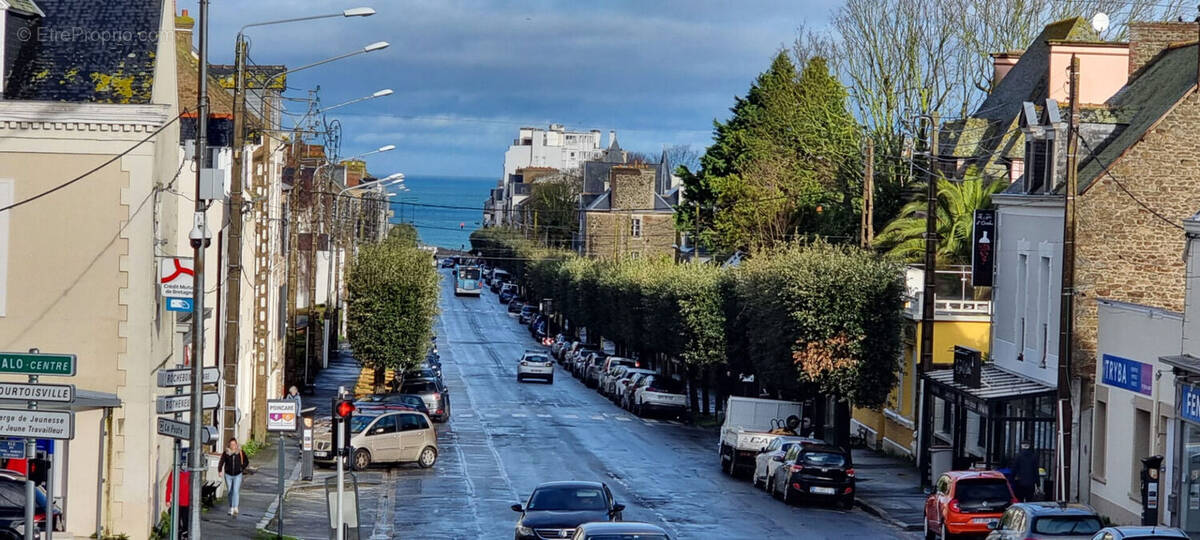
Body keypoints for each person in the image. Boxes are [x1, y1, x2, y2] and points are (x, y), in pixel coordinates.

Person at [218, 438, 249, 517]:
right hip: (228, 474)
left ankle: (234, 507)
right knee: (230, 491)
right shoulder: (226, 453)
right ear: (229, 445)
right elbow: (221, 461)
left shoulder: (240, 452)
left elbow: (246, 461)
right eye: (231, 444)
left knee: (235, 490)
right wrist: (220, 470)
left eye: (234, 444)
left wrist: (242, 467)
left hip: (237, 474)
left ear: (236, 445)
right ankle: (231, 506)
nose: (233, 446)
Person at [165, 468, 191, 533]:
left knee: (186, 523)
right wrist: (167, 499)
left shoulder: (191, 471)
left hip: (188, 503)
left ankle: (185, 534)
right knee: (176, 524)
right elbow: (169, 485)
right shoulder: (175, 471)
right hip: (177, 503)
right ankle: (179, 534)